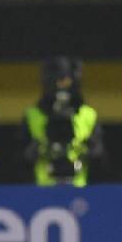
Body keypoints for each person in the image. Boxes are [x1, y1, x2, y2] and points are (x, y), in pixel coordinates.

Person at [21, 57, 104, 187]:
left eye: (66, 81)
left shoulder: (88, 115)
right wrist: (37, 150)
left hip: (79, 188)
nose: (61, 86)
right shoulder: (32, 115)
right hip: (42, 189)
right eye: (57, 81)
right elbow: (18, 160)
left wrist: (89, 149)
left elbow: (100, 159)